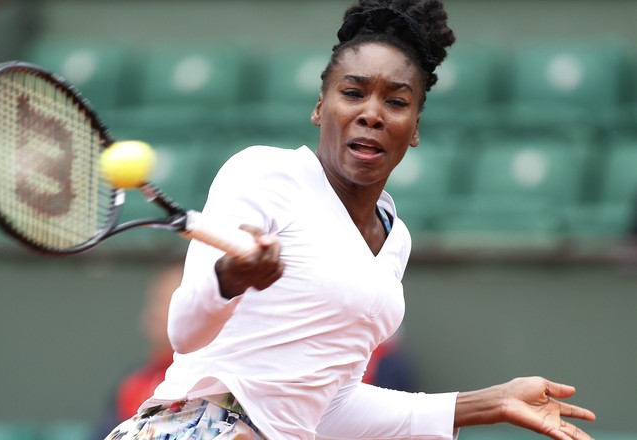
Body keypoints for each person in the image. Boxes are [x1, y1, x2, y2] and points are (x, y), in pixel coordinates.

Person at [106, 1, 596, 439]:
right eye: (353, 93)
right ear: (321, 107)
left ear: (416, 128)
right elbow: (185, 334)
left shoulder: (394, 240)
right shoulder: (263, 173)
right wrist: (228, 279)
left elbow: (330, 406)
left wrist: (491, 403)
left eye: (396, 102)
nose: (372, 114)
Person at [93, 263, 184, 438]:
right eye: (155, 299)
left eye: (167, 301)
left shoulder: (213, 385)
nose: (156, 312)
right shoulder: (132, 382)